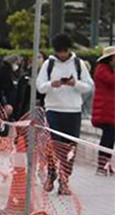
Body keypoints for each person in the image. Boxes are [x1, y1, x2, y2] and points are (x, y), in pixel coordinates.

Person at [37, 33, 94, 195]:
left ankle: (65, 180)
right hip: (53, 109)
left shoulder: (78, 64)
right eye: (59, 51)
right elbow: (40, 87)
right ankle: (51, 174)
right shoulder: (49, 64)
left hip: (73, 110)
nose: (62, 54)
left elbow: (89, 86)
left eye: (64, 51)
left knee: (70, 148)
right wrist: (51, 84)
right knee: (52, 145)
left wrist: (74, 83)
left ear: (69, 49)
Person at [93, 46, 115, 176]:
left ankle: (106, 164)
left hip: (110, 110)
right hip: (105, 109)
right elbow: (112, 81)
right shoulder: (102, 69)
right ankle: (101, 166)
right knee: (107, 139)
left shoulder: (109, 69)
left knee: (110, 139)